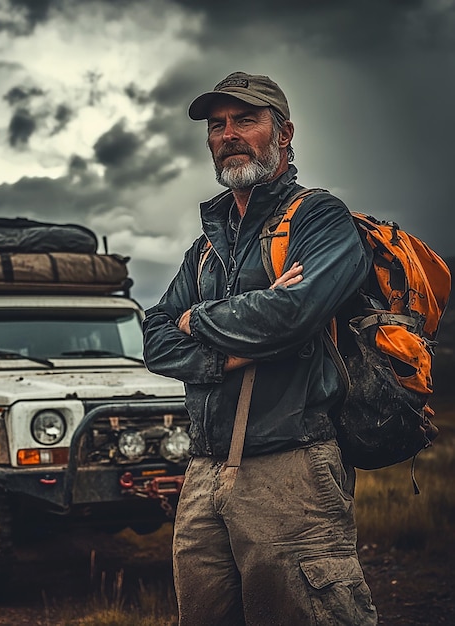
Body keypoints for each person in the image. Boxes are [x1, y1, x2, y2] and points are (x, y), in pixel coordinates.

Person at [142, 72, 378, 625]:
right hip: (203, 473)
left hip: (290, 468)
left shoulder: (320, 219)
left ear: (285, 132)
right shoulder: (206, 244)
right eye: (218, 125)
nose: (228, 134)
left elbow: (291, 315)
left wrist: (193, 320)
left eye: (246, 120)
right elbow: (154, 337)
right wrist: (228, 351)